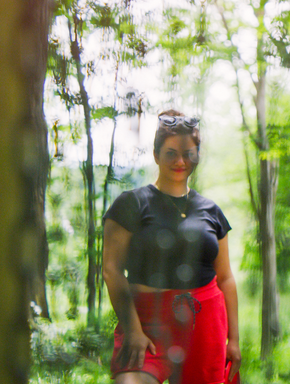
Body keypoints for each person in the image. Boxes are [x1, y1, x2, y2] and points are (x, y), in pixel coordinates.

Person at [103, 110, 241, 384]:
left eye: (188, 153)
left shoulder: (211, 210)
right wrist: (132, 329)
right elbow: (111, 270)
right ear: (156, 155)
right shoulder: (131, 203)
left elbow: (225, 278)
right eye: (171, 153)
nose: (180, 161)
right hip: (147, 321)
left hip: (205, 323)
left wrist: (234, 340)